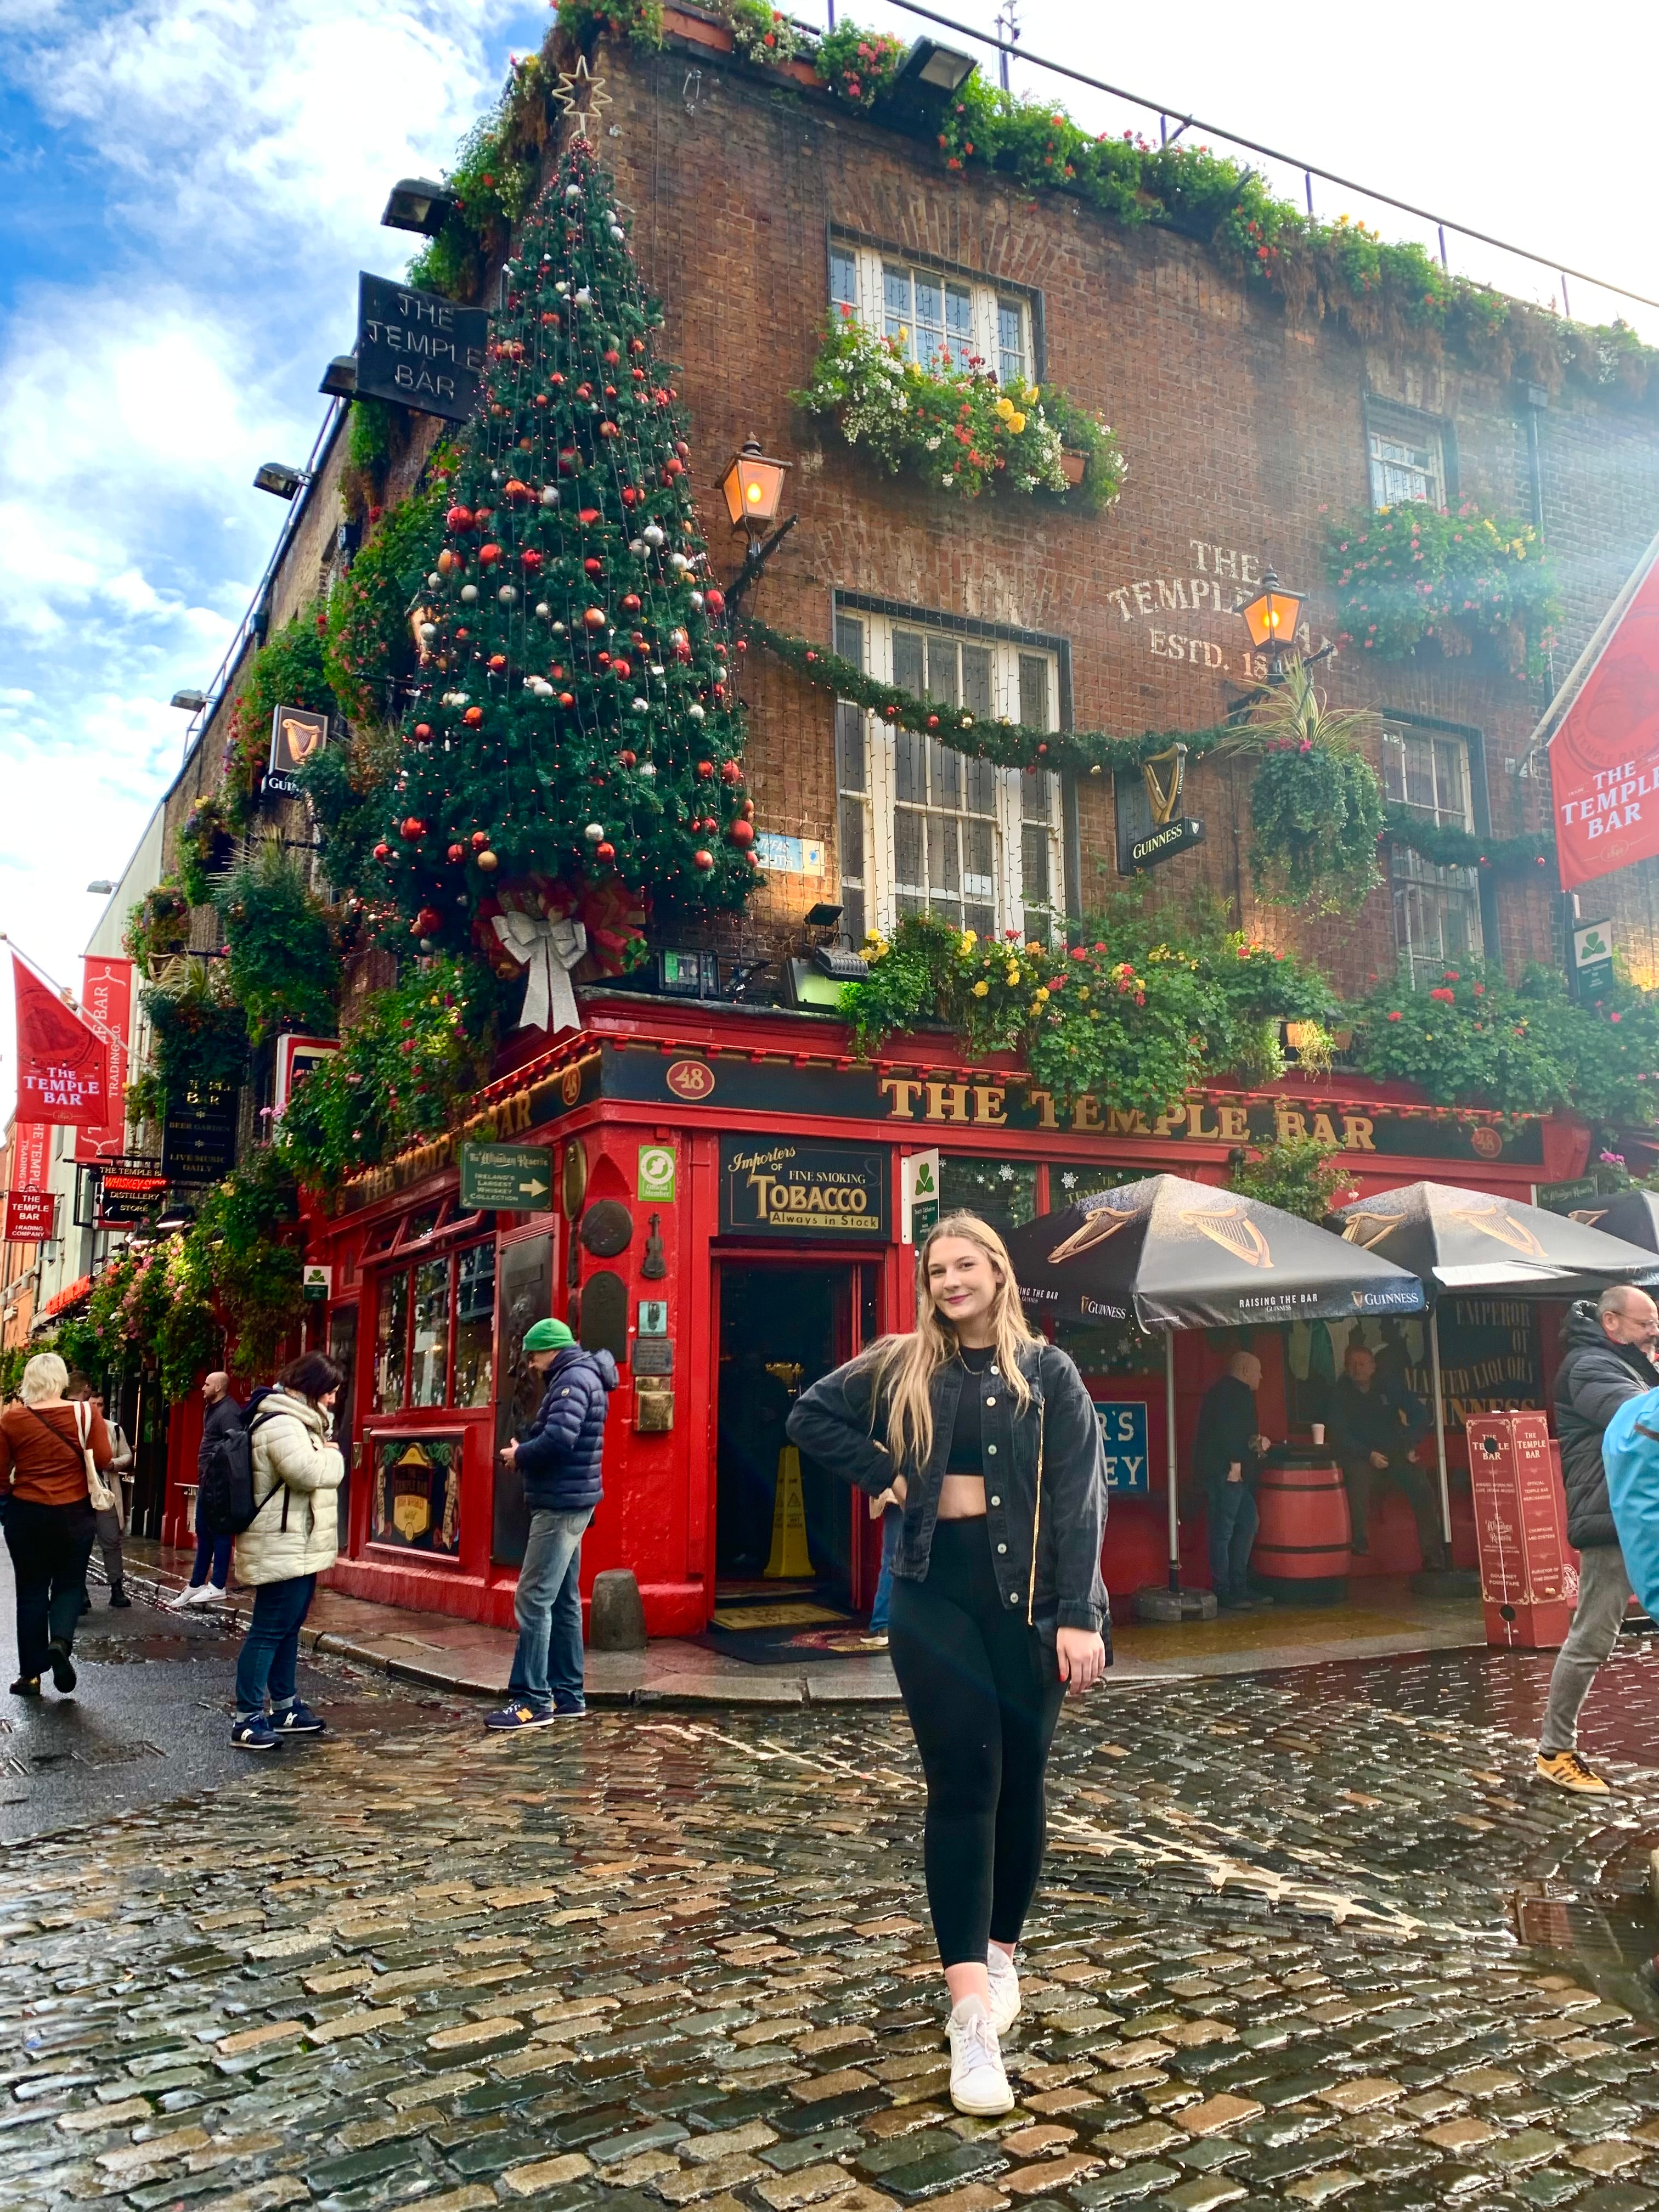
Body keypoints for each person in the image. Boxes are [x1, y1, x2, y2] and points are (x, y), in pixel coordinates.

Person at [787, 1212, 1108, 2119]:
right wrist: (880, 1470)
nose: (948, 1282)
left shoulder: (1048, 1373)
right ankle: (969, 2010)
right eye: (936, 1270)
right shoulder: (900, 1362)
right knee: (962, 1785)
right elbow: (808, 1413)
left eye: (964, 1266)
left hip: (1030, 1605)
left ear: (998, 1273)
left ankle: (1002, 1949)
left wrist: (1078, 1619)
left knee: (1019, 1780)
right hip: (931, 1594)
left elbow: (1080, 1499)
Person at [1537, 1284, 1659, 1794]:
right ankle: (1554, 1750)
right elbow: (1638, 1421)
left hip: (1641, 1514)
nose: (1654, 1330)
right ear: (1611, 1323)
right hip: (1613, 1518)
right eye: (1644, 1323)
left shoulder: (1631, 1364)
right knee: (1593, 1635)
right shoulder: (1588, 1366)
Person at [486, 1318, 618, 1731]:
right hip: (574, 1499)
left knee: (533, 1598)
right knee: (562, 1600)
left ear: (550, 1349)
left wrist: (520, 1455)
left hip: (560, 1503)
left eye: (535, 1355)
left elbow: (561, 1439)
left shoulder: (570, 1381)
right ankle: (568, 1694)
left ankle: (532, 1700)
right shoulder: (584, 1376)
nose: (533, 1364)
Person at [229, 1352, 344, 1752]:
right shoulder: (282, 1423)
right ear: (310, 1389)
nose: (332, 1401)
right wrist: (333, 1454)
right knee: (268, 1630)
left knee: (288, 1628)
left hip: (297, 1542)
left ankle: (284, 1705)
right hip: (281, 1543)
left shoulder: (297, 1421)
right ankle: (246, 1718)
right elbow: (308, 1473)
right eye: (329, 1392)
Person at [0, 1352, 114, 1696]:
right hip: (75, 1513)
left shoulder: (12, 1420)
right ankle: (60, 1645)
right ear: (62, 1380)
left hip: (28, 1513)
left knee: (31, 1591)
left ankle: (31, 1675)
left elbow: (1, 1476)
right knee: (68, 1584)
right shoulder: (85, 1413)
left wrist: (10, 1502)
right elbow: (106, 1459)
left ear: (29, 1381)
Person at [1330, 1342, 1444, 1569]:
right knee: (1357, 1475)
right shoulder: (1339, 1393)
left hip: (1395, 1453)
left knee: (1420, 1483)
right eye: (1351, 1364)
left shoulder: (1389, 1386)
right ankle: (1359, 1542)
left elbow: (1422, 1416)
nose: (1356, 1369)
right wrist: (1368, 1454)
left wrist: (1410, 1445)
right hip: (1360, 1456)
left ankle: (1434, 1556)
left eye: (1362, 1364)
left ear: (1373, 1366)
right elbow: (1339, 1435)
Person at [1193, 1351, 1273, 1611]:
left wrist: (1257, 1446)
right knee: (1225, 1530)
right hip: (1228, 1472)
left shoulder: (1222, 1392)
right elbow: (1229, 1433)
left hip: (1228, 1470)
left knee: (1248, 1522)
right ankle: (1225, 1590)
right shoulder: (1236, 1393)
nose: (1261, 1376)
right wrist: (1236, 1464)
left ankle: (1238, 1585)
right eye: (1258, 1370)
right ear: (1245, 1370)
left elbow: (1238, 1433)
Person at [173, 1371, 239, 1608]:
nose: (202, 1388)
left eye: (207, 1384)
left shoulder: (229, 1413)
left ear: (219, 1388)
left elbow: (234, 1447)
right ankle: (196, 1584)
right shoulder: (213, 1408)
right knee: (203, 1532)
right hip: (206, 1481)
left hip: (219, 1484)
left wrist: (218, 1474)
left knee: (219, 1532)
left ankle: (218, 1585)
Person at [66, 1375, 131, 1609]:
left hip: (106, 1491)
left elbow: (126, 1455)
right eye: (93, 1404)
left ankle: (117, 1588)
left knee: (111, 1541)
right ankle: (80, 1591)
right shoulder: (75, 1424)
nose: (97, 1409)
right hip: (81, 1493)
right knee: (79, 1542)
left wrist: (114, 1464)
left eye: (101, 1405)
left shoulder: (113, 1429)